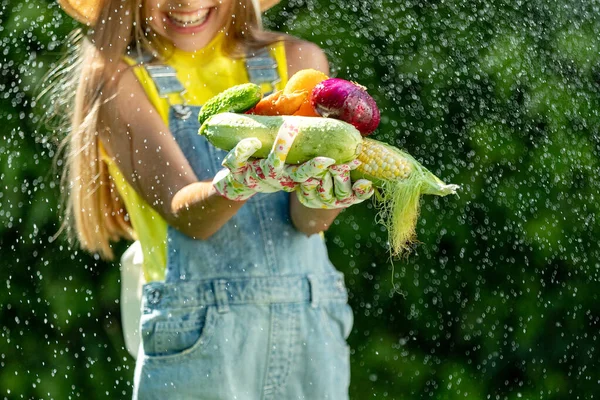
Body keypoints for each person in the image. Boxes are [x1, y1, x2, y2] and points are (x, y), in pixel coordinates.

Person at [55, 0, 374, 398]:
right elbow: (189, 216)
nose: (186, 2)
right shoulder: (118, 79)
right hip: (197, 342)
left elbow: (307, 224)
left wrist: (328, 194)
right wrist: (242, 182)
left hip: (311, 337)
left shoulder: (297, 61)